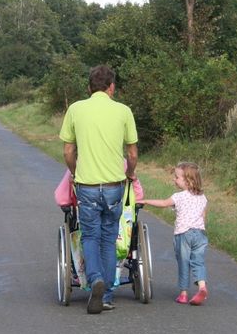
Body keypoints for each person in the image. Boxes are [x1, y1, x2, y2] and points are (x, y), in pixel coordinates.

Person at [59, 65, 138, 314]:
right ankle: (106, 295)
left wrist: (74, 172)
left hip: (87, 185)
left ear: (89, 87)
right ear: (111, 87)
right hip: (115, 185)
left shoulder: (75, 109)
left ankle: (95, 280)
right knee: (108, 238)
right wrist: (128, 174)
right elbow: (132, 153)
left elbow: (69, 151)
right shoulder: (124, 111)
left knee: (89, 236)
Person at [141, 162, 209, 306]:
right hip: (200, 234)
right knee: (198, 262)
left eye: (177, 177)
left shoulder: (179, 196)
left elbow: (164, 203)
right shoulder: (203, 198)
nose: (174, 179)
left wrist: (146, 201)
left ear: (188, 180)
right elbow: (203, 216)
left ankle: (183, 294)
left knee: (183, 263)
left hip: (183, 234)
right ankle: (202, 287)